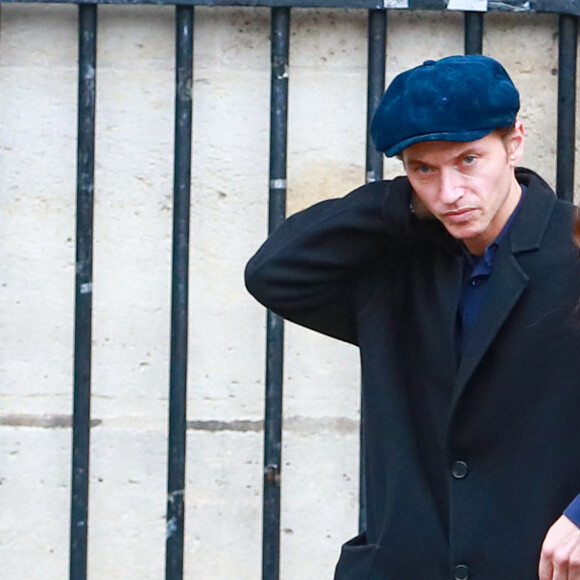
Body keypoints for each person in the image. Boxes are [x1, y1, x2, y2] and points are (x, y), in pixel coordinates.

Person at [245, 55, 580, 580]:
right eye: (424, 168)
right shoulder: (395, 261)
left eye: (469, 160)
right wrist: (402, 206)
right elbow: (273, 272)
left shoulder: (574, 250)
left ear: (514, 141)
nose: (449, 193)